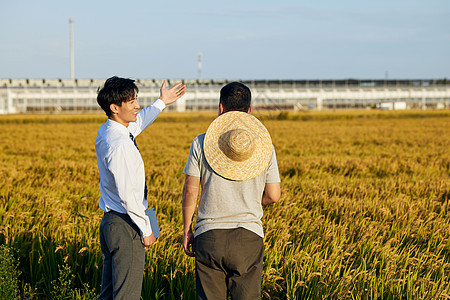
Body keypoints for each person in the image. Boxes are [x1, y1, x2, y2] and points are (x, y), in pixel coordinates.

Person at [182, 82, 281, 299]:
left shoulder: (201, 142)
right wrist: (254, 199)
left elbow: (190, 193)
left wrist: (188, 229)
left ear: (221, 108)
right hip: (248, 236)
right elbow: (274, 195)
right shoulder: (265, 148)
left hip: (209, 236)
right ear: (250, 111)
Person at [95, 76, 186, 300]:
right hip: (127, 225)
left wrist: (161, 102)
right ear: (115, 107)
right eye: (132, 102)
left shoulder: (109, 130)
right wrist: (146, 230)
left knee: (108, 294)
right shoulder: (121, 145)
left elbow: (139, 121)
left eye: (137, 99)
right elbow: (128, 195)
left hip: (111, 222)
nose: (137, 106)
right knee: (127, 295)